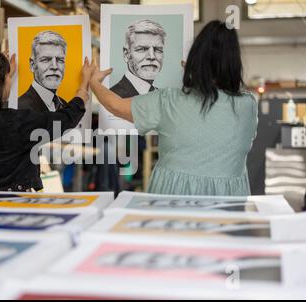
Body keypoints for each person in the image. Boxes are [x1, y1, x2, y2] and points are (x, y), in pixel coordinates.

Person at [89, 20, 258, 196]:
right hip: (228, 203)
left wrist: (94, 83)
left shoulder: (169, 100)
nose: (151, 57)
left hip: (173, 199)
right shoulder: (248, 106)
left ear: (196, 58)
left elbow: (115, 105)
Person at [0, 49, 93, 191]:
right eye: (8, 77)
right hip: (18, 203)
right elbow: (63, 119)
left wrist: (4, 73)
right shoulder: (13, 122)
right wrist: (83, 90)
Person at [111, 19, 166, 97]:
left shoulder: (162, 96)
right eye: (142, 49)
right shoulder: (114, 97)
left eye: (158, 49)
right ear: (126, 54)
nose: (152, 56)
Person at [18, 31, 68, 112]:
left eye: (60, 60)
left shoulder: (64, 105)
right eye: (46, 60)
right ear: (32, 65)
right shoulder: (19, 108)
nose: (54, 66)